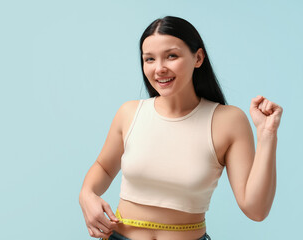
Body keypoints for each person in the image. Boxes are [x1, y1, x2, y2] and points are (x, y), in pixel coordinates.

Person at [79, 16, 283, 240]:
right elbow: (105, 167)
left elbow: (255, 210)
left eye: (171, 56)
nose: (159, 69)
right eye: (149, 59)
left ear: (198, 57)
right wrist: (86, 194)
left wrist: (267, 135)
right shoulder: (129, 113)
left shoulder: (228, 121)